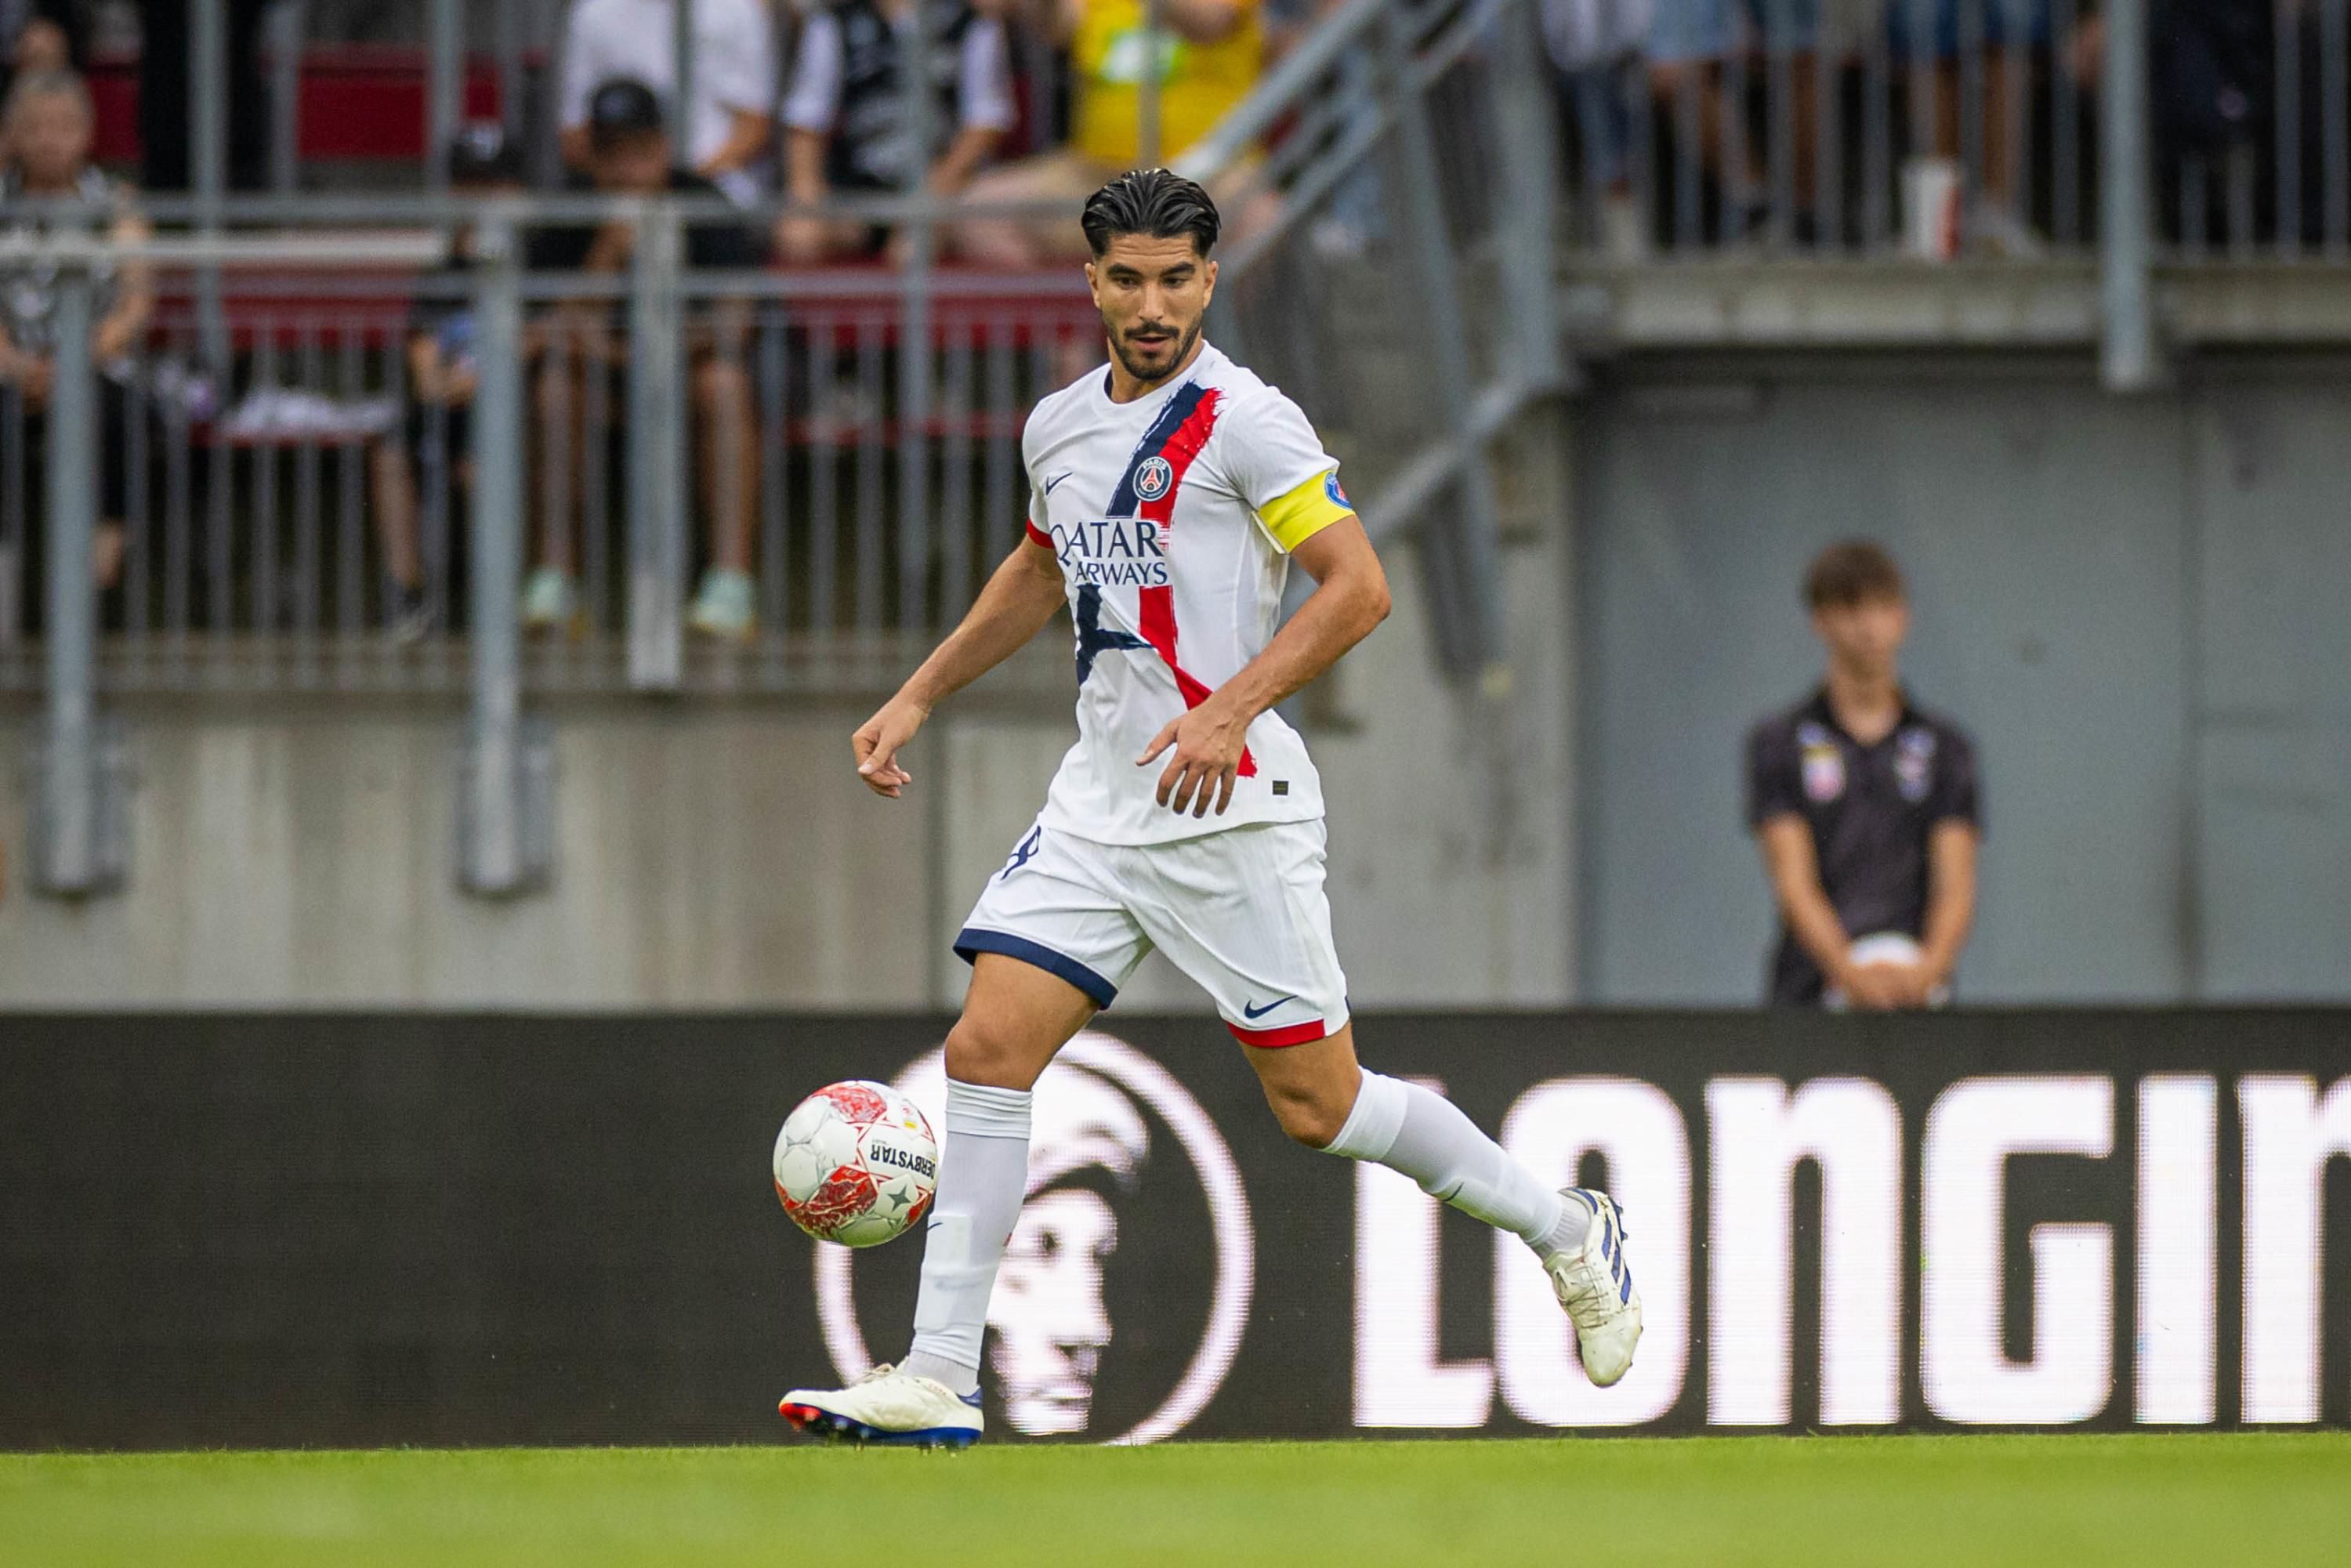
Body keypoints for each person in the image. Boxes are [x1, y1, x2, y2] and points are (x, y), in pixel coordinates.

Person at [777, 168, 1642, 1448]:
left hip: (1232, 808)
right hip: (1101, 803)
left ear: (1209, 279)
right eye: (1126, 278)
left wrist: (1233, 706)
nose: (1151, 302)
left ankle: (1568, 1227)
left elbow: (1358, 588)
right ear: (1091, 281)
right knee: (986, 1050)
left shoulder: (1250, 421)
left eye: (1175, 278)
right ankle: (942, 1372)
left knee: (1323, 1110)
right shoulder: (1060, 426)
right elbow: (1037, 564)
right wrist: (918, 694)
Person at [523, 78, 770, 639]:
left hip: (685, 371)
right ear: (593, 155)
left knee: (725, 385)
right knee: (556, 387)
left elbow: (738, 316)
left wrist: (649, 351)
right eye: (612, 154)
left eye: (640, 150)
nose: (628, 169)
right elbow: (547, 325)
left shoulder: (703, 200)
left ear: (663, 146)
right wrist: (610, 248)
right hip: (604, 378)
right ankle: (555, 580)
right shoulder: (570, 209)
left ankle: (731, 586)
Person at [1746, 540, 1981, 1009]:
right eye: (1852, 609)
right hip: (1810, 993)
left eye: (1882, 607)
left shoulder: (1946, 746)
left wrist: (1928, 971)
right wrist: (1848, 974)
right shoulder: (1779, 742)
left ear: (1904, 617)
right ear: (1822, 620)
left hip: (1918, 994)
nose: (1869, 627)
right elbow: (1794, 882)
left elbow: (1955, 882)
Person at [954, 0, 1266, 267]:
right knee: (981, 212)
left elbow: (1209, 20)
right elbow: (1054, 26)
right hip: (1097, 176)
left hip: (1209, 176)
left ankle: (1201, 335)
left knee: (1261, 218)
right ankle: (1076, 331)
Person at [369, 122, 528, 643]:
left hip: (524, 407)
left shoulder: (539, 261)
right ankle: (407, 598)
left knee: (483, 458)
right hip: (458, 407)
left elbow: (543, 341)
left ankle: (502, 601)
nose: (480, 196)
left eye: (493, 182)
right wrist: (469, 380)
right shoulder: (441, 273)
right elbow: (427, 375)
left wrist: (486, 376)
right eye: (467, 182)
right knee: (393, 449)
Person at [0, 69, 153, 602]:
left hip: (95, 367)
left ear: (87, 133)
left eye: (63, 126)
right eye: (36, 126)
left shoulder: (116, 204)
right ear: (11, 133)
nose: (49, 138)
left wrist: (71, 365)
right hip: (14, 371)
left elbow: (136, 305)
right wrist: (19, 366)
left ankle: (95, 585)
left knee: (118, 415)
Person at [774, 0, 1016, 264]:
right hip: (856, 190)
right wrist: (806, 189)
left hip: (941, 187)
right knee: (799, 233)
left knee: (912, 249)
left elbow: (985, 122)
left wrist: (935, 190)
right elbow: (807, 120)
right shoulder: (834, 22)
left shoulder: (972, 24)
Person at [558, 0, 777, 205]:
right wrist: (635, 179)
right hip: (615, 192)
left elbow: (755, 125)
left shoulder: (737, 8)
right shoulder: (595, 11)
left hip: (716, 192)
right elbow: (574, 134)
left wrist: (683, 183)